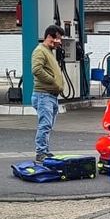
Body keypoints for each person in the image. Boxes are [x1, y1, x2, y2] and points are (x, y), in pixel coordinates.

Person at [33, 25, 67, 162]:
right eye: (59, 39)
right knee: (45, 124)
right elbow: (36, 69)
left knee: (48, 125)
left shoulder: (49, 52)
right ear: (50, 37)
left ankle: (45, 151)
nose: (61, 42)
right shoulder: (40, 51)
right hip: (44, 95)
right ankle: (41, 152)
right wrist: (53, 81)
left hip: (51, 96)